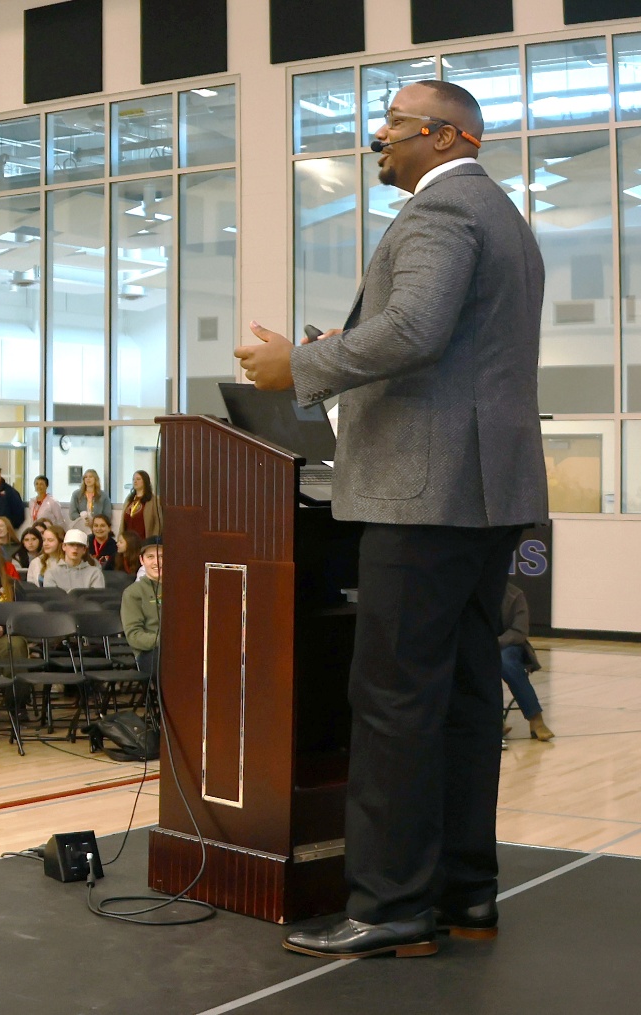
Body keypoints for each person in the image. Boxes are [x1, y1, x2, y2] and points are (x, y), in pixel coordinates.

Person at [236, 80, 546, 960]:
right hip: (483, 493)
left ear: (445, 136)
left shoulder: (440, 211)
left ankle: (389, 906)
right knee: (463, 696)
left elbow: (413, 329)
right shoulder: (503, 217)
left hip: (424, 493)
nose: (379, 139)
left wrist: (300, 366)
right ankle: (463, 890)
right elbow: (447, 344)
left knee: (393, 701)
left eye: (393, 127)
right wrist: (333, 350)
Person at [497, 584, 552, 742]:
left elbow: (519, 631)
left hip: (509, 646)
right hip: (478, 645)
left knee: (505, 663)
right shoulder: (471, 593)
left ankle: (536, 719)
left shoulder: (515, 595)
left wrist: (493, 643)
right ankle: (493, 720)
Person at [121, 540, 161, 680]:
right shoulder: (133, 593)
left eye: (162, 556)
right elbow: (134, 635)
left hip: (182, 649)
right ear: (141, 560)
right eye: (150, 557)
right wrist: (165, 641)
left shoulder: (181, 588)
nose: (157, 562)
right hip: (149, 652)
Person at [121, 470, 162, 556]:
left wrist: (153, 540)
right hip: (128, 541)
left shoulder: (153, 500)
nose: (135, 481)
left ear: (145, 481)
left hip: (144, 540)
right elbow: (123, 522)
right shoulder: (129, 499)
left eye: (138, 479)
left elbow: (158, 523)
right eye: (133, 479)